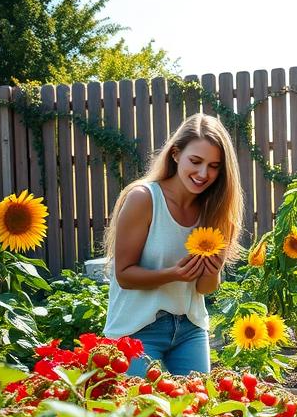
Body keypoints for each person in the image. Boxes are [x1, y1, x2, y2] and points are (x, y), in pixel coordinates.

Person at [103, 113, 244, 376]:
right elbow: (124, 275)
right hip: (137, 329)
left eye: (214, 166)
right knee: (140, 415)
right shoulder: (144, 199)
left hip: (190, 329)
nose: (204, 174)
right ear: (176, 154)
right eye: (196, 161)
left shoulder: (216, 210)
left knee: (199, 413)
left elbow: (205, 288)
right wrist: (173, 275)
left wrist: (211, 271)